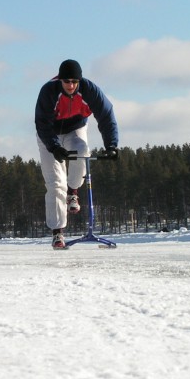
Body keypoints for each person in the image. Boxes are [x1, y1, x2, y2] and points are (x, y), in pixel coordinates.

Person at [35, 59, 119, 248]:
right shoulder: (48, 91)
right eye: (67, 82)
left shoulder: (90, 90)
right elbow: (42, 124)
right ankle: (58, 233)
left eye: (74, 81)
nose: (71, 85)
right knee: (56, 183)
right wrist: (55, 147)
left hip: (75, 129)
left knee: (83, 152)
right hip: (49, 134)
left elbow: (106, 116)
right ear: (60, 81)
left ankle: (73, 191)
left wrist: (111, 146)